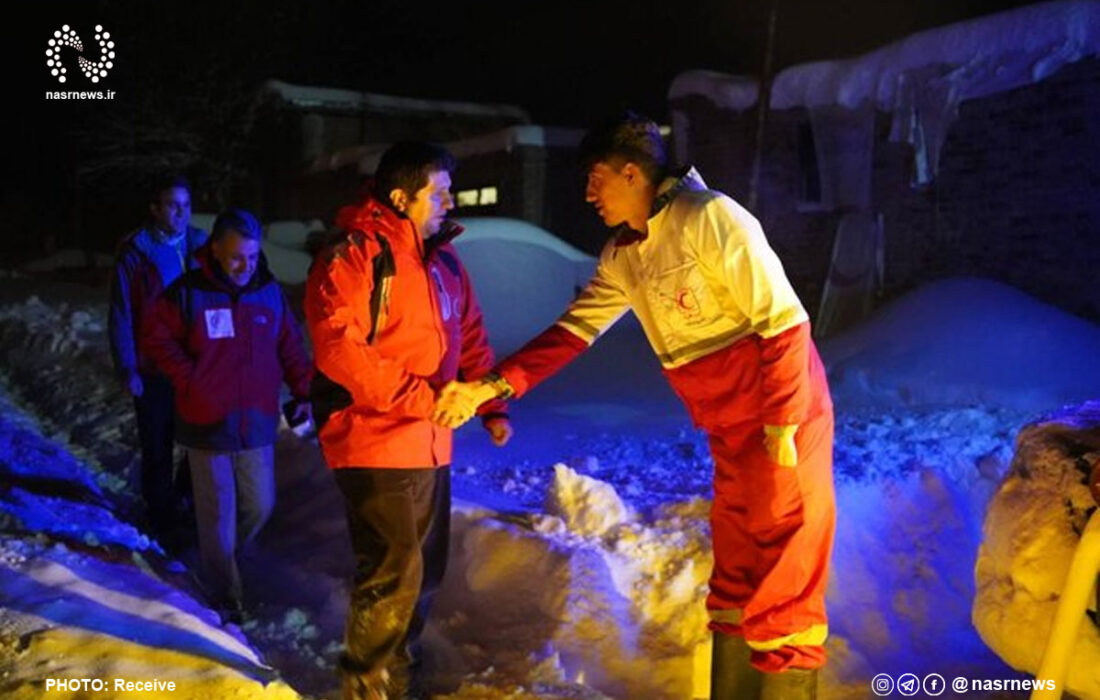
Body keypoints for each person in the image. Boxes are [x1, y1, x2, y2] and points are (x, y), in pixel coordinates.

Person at [435, 113, 836, 700]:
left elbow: (782, 325)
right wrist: (491, 387)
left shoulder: (709, 217)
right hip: (730, 431)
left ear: (632, 171)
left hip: (782, 420)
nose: (589, 193)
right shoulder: (626, 254)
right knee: (735, 580)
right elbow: (572, 332)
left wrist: (782, 425)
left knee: (785, 583)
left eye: (597, 178)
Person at [304, 142, 512, 700]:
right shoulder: (355, 255)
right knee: (392, 573)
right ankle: (367, 686)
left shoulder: (443, 260)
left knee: (423, 572)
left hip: (431, 443)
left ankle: (396, 676)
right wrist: (421, 399)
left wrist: (490, 402)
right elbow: (337, 350)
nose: (451, 201)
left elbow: (469, 334)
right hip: (372, 438)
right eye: (439, 192)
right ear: (401, 196)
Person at [143, 208, 313, 620]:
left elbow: (289, 344)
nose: (245, 266)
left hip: (256, 419)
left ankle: (220, 557)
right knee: (217, 510)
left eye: (253, 257)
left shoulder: (267, 292)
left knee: (260, 504)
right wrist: (190, 377)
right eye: (237, 256)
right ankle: (225, 594)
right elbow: (155, 336)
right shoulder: (188, 293)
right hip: (206, 421)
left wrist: (305, 390)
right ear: (215, 249)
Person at [108, 175, 207, 545]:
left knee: (199, 436)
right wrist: (128, 366)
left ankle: (184, 499)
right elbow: (121, 313)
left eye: (186, 204)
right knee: (157, 441)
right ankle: (161, 514)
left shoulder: (201, 245)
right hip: (152, 365)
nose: (181, 212)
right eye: (172, 204)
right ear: (154, 208)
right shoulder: (136, 251)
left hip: (193, 363)